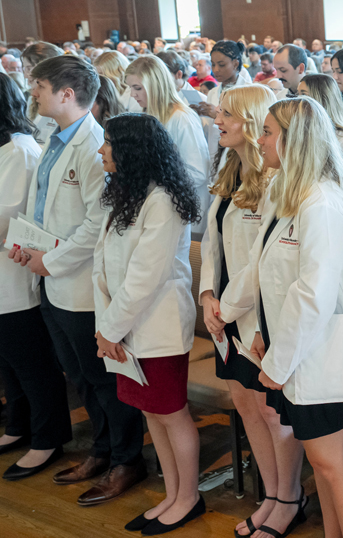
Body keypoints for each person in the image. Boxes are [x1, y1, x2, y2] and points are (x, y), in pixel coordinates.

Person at [220, 98, 343, 538]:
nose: (260, 139)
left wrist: (278, 362)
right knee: (322, 462)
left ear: (293, 139)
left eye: (267, 131)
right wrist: (236, 318)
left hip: (321, 356)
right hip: (295, 349)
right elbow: (262, 268)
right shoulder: (286, 190)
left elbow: (313, 295)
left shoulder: (322, 202)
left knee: (333, 461)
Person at [9, 55, 147, 501]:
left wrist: (50, 261)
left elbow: (96, 225)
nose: (32, 92)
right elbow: (40, 204)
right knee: (79, 375)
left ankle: (128, 460)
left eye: (40, 86)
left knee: (104, 380)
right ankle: (102, 450)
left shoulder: (93, 145)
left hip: (82, 282)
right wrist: (26, 245)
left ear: (66, 94)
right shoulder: (51, 137)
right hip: (51, 279)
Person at [200, 85, 308, 538]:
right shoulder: (231, 169)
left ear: (250, 119)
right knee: (244, 404)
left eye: (227, 114)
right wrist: (207, 293)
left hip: (255, 313)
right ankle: (270, 494)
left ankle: (290, 498)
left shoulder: (276, 180)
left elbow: (264, 264)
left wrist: (227, 307)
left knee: (270, 412)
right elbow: (212, 243)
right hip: (223, 309)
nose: (217, 120)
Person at [93, 113, 206, 534]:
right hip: (123, 326)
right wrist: (107, 325)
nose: (101, 150)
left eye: (108, 144)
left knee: (171, 413)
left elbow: (146, 276)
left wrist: (111, 328)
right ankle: (172, 494)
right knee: (150, 413)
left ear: (132, 151)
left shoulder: (163, 200)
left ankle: (189, 497)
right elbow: (100, 264)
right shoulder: (127, 193)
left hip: (156, 325)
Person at [0, 73, 73, 482]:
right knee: (8, 360)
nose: (34, 95)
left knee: (31, 361)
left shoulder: (19, 149)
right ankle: (18, 425)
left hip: (16, 271)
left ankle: (47, 437)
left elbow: (9, 215)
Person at [125, 56, 211, 234]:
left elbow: (198, 172)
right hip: (153, 204)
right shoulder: (143, 114)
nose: (132, 94)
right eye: (130, 88)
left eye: (137, 88)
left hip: (179, 206)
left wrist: (155, 179)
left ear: (155, 85)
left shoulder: (182, 118)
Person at [297, 73, 343, 176]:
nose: (297, 101)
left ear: (321, 98)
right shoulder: (301, 132)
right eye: (298, 94)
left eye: (304, 95)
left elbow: (340, 185)